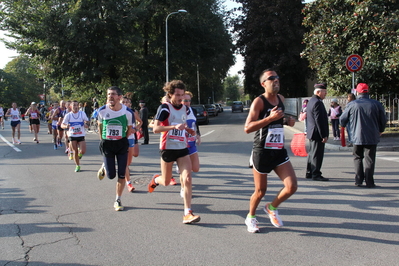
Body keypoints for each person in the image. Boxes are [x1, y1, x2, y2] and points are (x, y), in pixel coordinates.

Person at [243, 69, 298, 233]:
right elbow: (247, 128)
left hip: (278, 150)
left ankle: (271, 207)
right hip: (262, 151)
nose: (276, 80)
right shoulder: (259, 102)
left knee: (292, 186)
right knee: (260, 191)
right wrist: (269, 119)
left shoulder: (281, 99)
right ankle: (251, 217)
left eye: (277, 78)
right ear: (263, 83)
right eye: (271, 78)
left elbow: (280, 118)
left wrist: (287, 121)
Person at [147, 80, 201, 224]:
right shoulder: (165, 108)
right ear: (170, 94)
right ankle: (155, 179)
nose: (180, 98)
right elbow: (155, 129)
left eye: (182, 95)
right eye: (177, 95)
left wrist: (189, 130)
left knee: (188, 178)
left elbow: (184, 125)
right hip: (167, 148)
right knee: (165, 181)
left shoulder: (185, 109)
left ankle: (187, 213)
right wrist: (173, 127)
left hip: (182, 148)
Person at [340, 83, 386, 188]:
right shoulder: (376, 104)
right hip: (372, 136)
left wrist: (343, 125)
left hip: (356, 136)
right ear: (367, 91)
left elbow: (342, 119)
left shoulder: (352, 104)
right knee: (370, 159)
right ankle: (369, 182)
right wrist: (381, 129)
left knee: (357, 157)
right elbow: (383, 119)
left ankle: (358, 180)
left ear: (357, 92)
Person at [97, 86, 135, 211]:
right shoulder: (102, 111)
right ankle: (104, 166)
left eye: (113, 94)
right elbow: (100, 126)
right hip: (107, 144)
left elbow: (130, 128)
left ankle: (118, 199)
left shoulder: (127, 112)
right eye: (108, 94)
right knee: (111, 175)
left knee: (122, 174)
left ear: (119, 97)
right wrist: (103, 139)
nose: (110, 96)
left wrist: (123, 137)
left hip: (121, 144)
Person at [179, 91, 201, 197]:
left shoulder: (193, 110)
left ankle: (184, 173)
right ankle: (184, 188)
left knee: (196, 168)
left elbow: (195, 124)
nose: (186, 102)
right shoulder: (177, 111)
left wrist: (198, 135)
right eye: (184, 100)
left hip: (191, 143)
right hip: (181, 144)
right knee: (185, 172)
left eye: (188, 100)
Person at [306, 83, 329, 181]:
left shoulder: (312, 101)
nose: (325, 94)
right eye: (324, 92)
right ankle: (316, 173)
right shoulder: (317, 102)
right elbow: (319, 120)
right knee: (317, 154)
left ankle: (309, 172)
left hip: (312, 132)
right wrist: (323, 135)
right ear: (318, 92)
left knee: (312, 153)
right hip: (317, 133)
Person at [61, 100, 89, 172]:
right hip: (72, 135)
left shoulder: (82, 113)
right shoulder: (68, 115)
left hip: (81, 134)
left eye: (77, 105)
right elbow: (62, 125)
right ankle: (77, 165)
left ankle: (80, 153)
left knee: (83, 151)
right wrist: (66, 126)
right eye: (74, 105)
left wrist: (86, 124)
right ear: (70, 106)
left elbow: (87, 121)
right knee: (75, 151)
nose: (76, 107)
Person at [121, 96, 142, 192]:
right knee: (125, 163)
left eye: (127, 102)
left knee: (128, 162)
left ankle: (126, 173)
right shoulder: (117, 113)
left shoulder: (132, 113)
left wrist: (135, 129)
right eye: (124, 102)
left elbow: (140, 122)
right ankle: (129, 183)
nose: (126, 104)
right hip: (121, 139)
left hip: (131, 138)